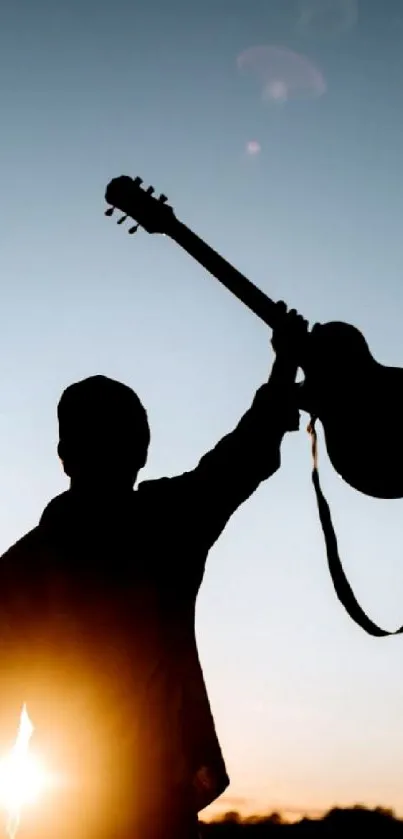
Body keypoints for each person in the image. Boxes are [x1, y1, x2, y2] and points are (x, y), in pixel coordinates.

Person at [0, 303, 307, 839]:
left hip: (61, 820)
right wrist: (284, 366)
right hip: (153, 814)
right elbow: (247, 453)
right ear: (142, 450)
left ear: (63, 454)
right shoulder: (166, 526)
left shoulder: (18, 570)